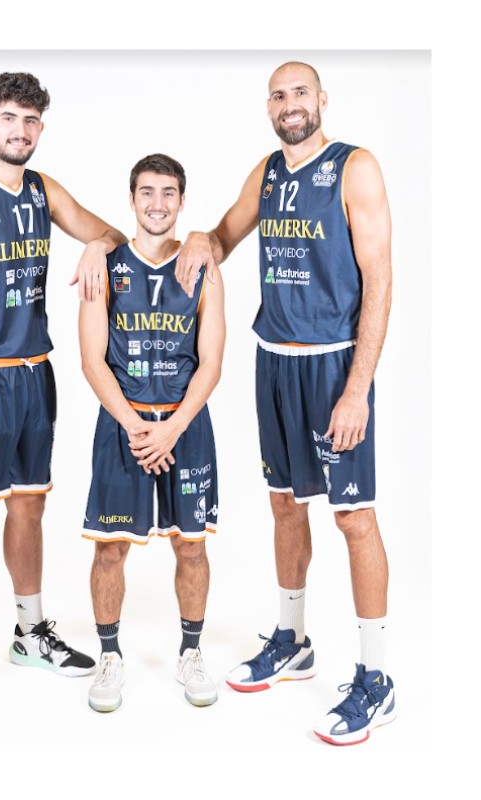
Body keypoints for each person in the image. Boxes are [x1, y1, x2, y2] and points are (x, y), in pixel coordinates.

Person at [174, 61, 395, 745]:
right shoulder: (267, 172)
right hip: (273, 359)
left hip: (333, 365)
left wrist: (356, 389)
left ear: (321, 99)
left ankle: (376, 677)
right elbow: (223, 239)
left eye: (300, 92)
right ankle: (293, 640)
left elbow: (380, 282)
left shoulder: (354, 167)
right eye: (278, 94)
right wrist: (200, 238)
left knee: (353, 518)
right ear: (268, 106)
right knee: (283, 505)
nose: (289, 103)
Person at [0, 72, 127, 727]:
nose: (20, 130)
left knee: (29, 506)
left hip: (35, 373)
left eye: (31, 120)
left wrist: (94, 246)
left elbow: (113, 235)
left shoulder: (42, 190)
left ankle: (29, 631)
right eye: (9, 117)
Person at [78, 153, 225, 713]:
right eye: (147, 192)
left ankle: (191, 653)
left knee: (191, 545)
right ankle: (109, 657)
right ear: (131, 199)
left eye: (168, 193)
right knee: (111, 548)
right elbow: (92, 360)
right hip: (125, 423)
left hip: (186, 425)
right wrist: (138, 426)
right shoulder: (105, 265)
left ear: (182, 201)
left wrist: (173, 428)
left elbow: (211, 362)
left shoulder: (203, 268)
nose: (157, 203)